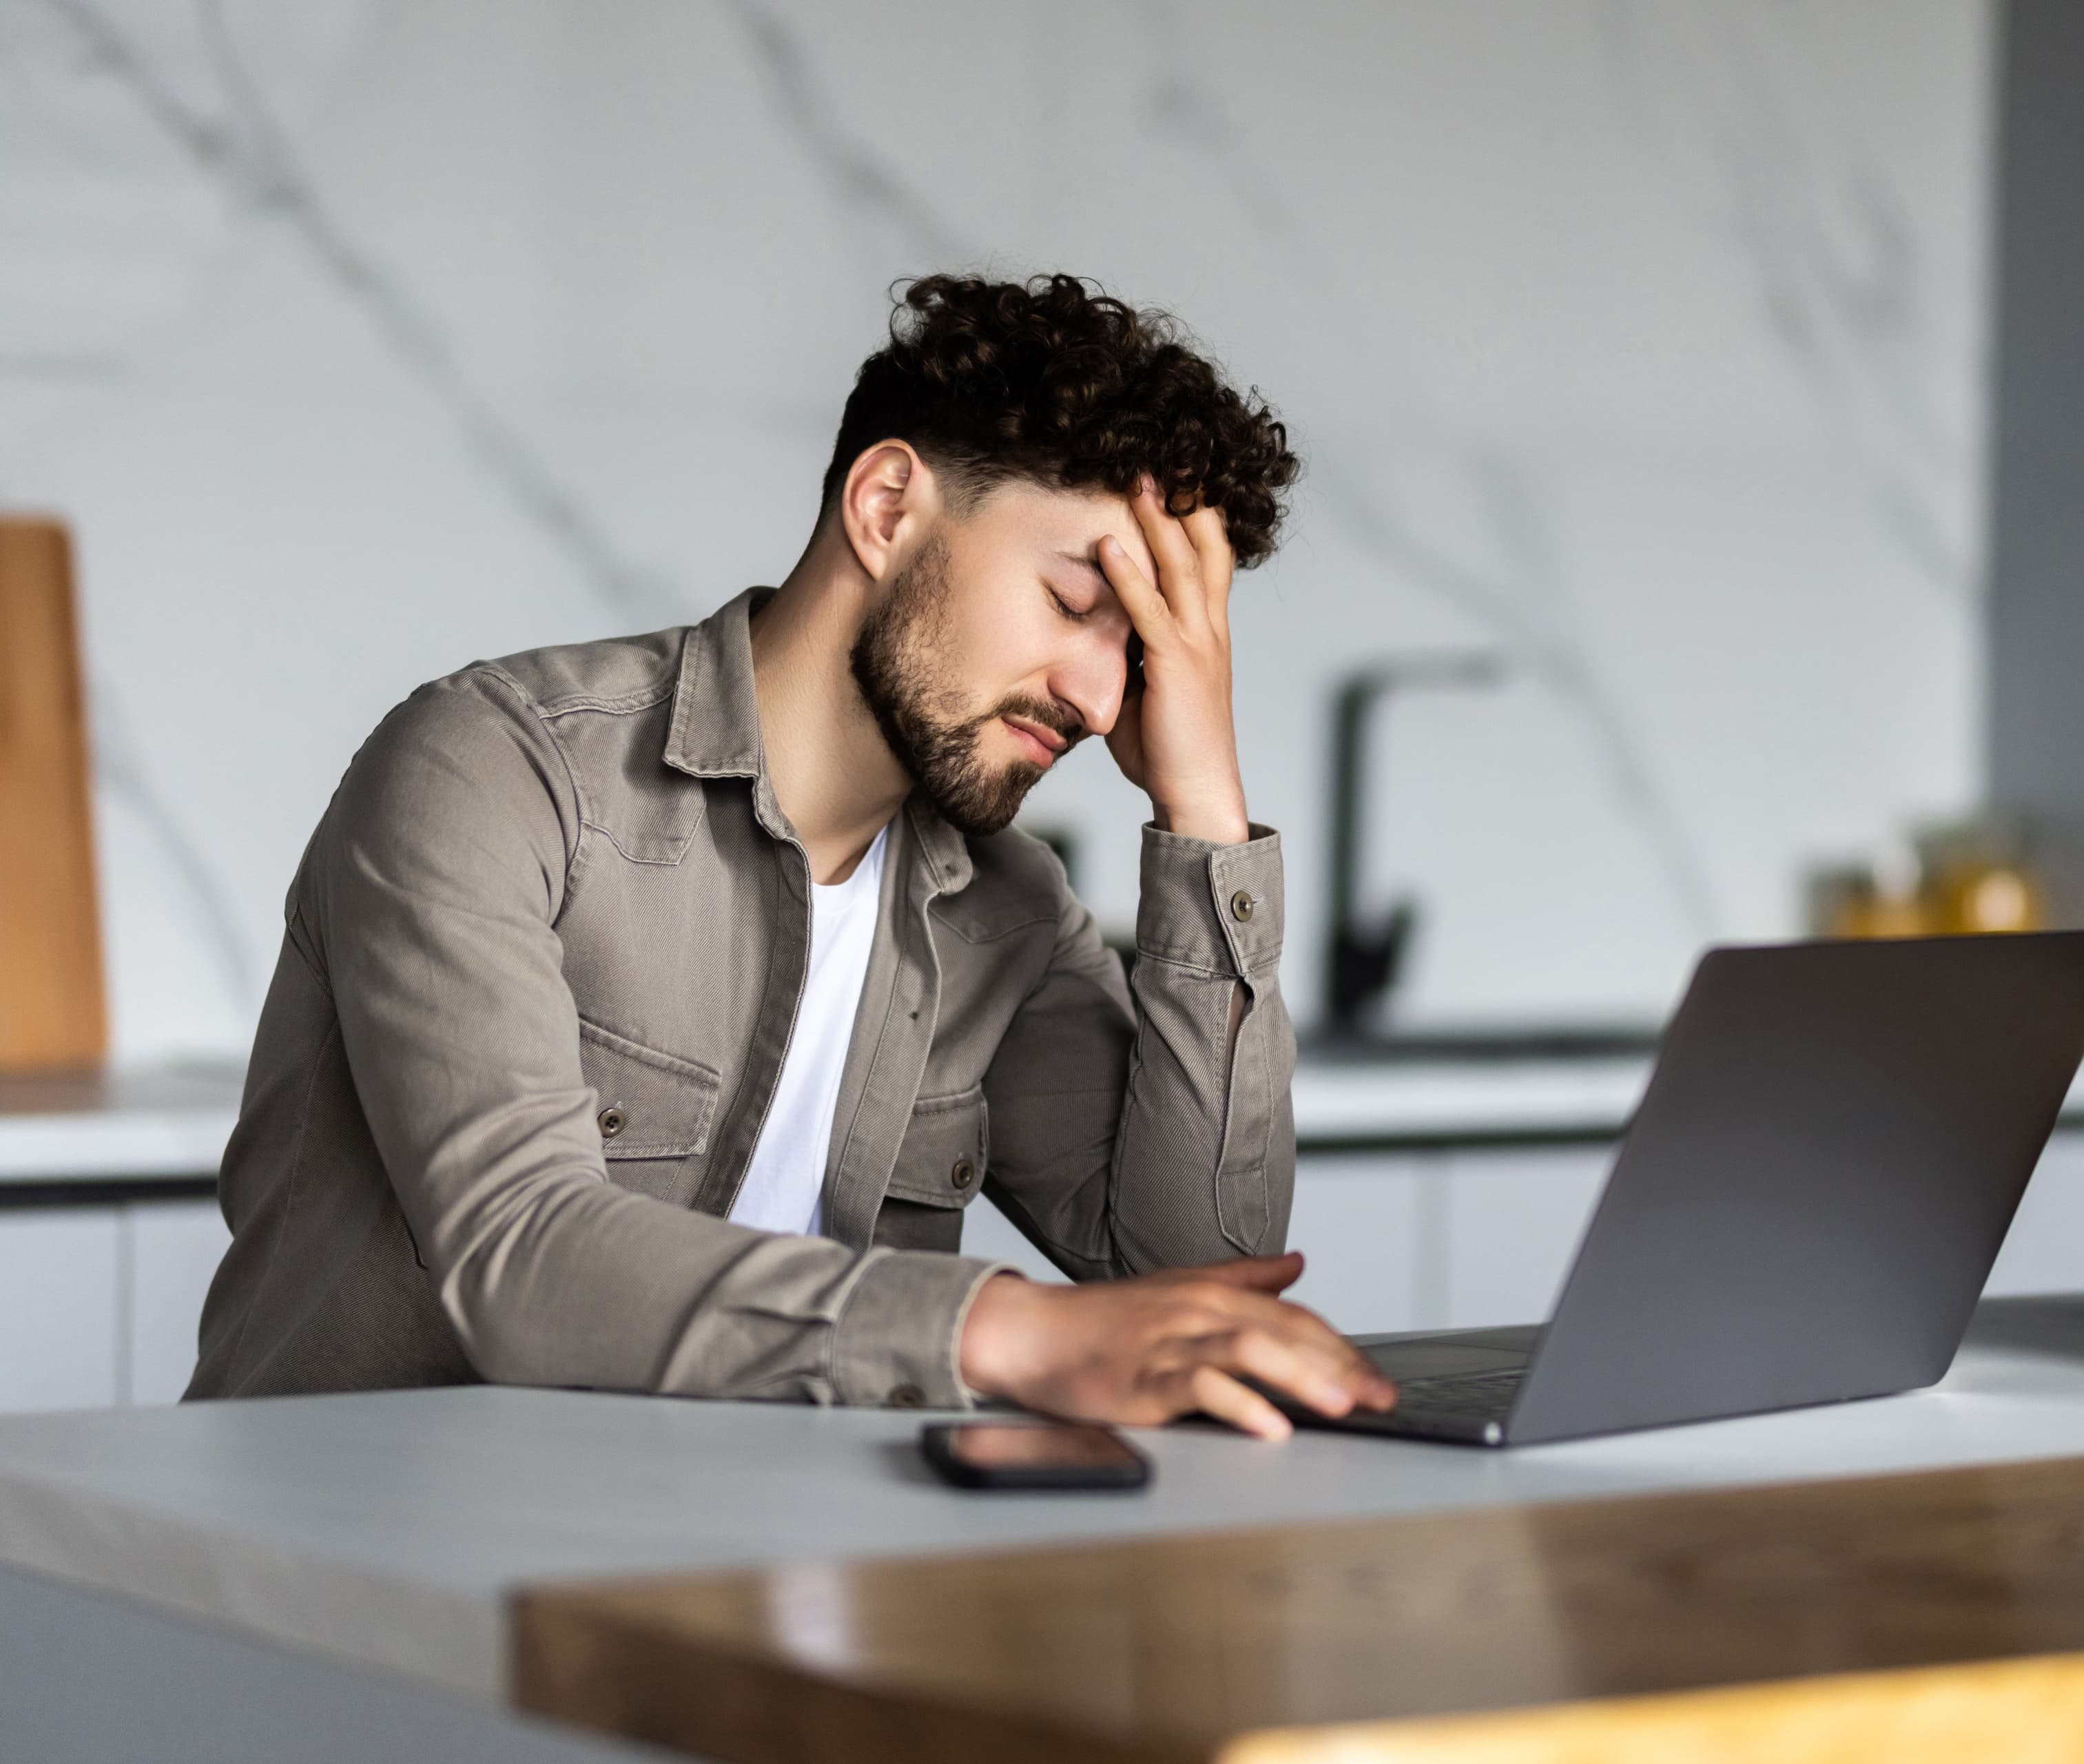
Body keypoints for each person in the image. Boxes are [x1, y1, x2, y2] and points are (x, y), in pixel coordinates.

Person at [188, 274, 1396, 1439]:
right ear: (884, 508)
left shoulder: (1007, 914)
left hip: (739, 1588)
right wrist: (1001, 1328)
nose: (1097, 695)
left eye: (1139, 656)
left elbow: (1202, 1282)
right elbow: (518, 1252)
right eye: (1077, 600)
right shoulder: (495, 769)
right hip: (352, 1595)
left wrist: (1205, 810)